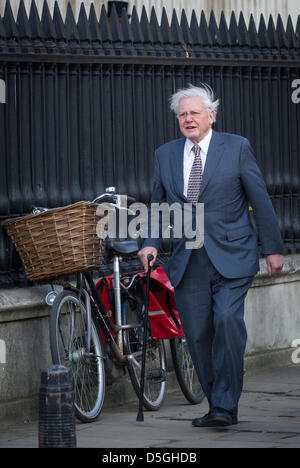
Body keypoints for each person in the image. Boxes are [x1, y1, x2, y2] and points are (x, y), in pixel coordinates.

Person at [138, 83, 284, 427]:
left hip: (233, 253)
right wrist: (150, 242)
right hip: (189, 260)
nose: (188, 119)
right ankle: (217, 401)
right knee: (198, 334)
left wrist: (273, 248)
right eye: (182, 115)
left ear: (211, 116)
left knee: (227, 322)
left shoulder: (236, 148)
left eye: (195, 113)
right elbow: (157, 205)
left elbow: (259, 198)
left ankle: (224, 405)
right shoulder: (165, 154)